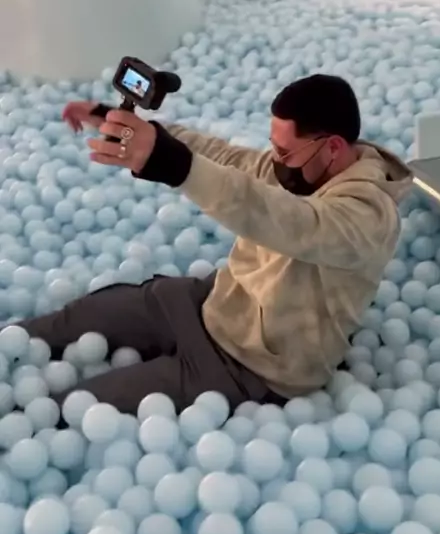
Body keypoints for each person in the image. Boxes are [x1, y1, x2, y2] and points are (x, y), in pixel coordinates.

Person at [18, 74, 412, 415]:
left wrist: (173, 164)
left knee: (72, 407)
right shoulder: (305, 167)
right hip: (211, 303)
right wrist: (125, 125)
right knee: (73, 320)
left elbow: (279, 216)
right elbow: (225, 158)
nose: (275, 160)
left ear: (333, 147)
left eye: (284, 152)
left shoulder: (367, 217)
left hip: (252, 368)